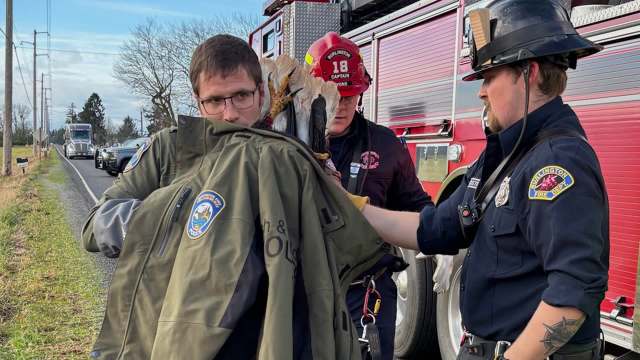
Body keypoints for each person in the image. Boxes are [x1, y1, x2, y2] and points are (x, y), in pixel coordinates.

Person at [82, 34, 389, 359]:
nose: (229, 113)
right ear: (197, 100)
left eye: (240, 96)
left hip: (267, 332)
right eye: (214, 101)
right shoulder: (169, 149)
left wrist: (323, 186)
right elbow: (96, 224)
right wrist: (180, 220)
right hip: (176, 332)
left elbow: (330, 251)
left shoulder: (289, 154)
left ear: (260, 94)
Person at [357, 1, 609, 359]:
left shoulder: (557, 163)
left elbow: (573, 293)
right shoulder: (508, 154)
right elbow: (436, 228)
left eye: (490, 77)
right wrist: (355, 209)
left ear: (530, 72)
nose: (481, 91)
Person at [305, 32, 435, 360]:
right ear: (309, 93)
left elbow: (420, 209)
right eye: (331, 94)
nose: (341, 104)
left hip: (367, 295)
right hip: (303, 293)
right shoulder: (288, 148)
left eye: (350, 95)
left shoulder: (386, 146)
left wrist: (442, 239)